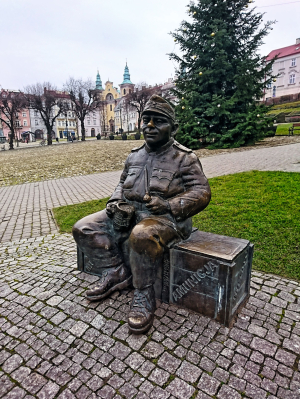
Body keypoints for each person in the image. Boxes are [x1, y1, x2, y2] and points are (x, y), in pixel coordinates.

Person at [72, 95, 211, 334]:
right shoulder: (134, 156)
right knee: (83, 227)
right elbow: (121, 184)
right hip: (131, 214)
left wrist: (169, 206)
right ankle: (115, 271)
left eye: (158, 121)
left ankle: (144, 293)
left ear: (173, 128)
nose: (150, 126)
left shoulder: (184, 158)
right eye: (146, 120)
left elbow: (202, 192)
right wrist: (115, 203)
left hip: (167, 219)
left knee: (142, 234)